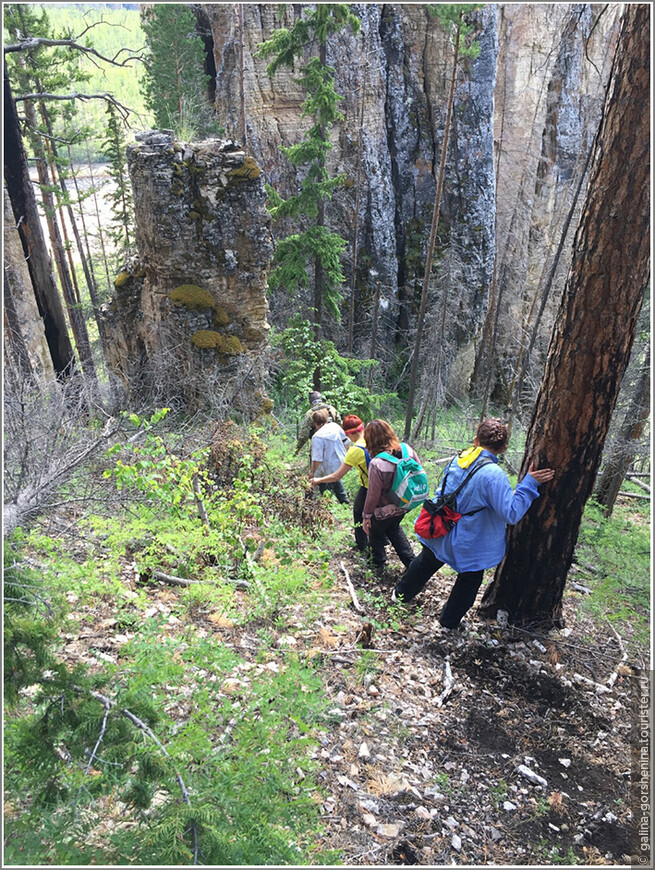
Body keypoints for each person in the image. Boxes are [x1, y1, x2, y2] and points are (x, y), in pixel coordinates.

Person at [392, 418, 555, 629]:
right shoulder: (494, 475)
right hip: (471, 539)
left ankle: (400, 596)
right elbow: (512, 513)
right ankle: (448, 623)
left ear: (476, 440)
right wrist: (530, 483)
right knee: (469, 579)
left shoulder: (460, 458)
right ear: (504, 447)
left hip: (442, 528)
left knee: (426, 561)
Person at [362, 419, 419, 576]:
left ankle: (378, 566)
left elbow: (373, 495)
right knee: (394, 529)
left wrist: (366, 516)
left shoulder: (377, 463)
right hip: (405, 503)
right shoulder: (408, 450)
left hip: (384, 511)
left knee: (376, 534)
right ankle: (412, 564)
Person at [310, 414, 370, 551]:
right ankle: (374, 544)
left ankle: (365, 547)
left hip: (367, 485)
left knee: (361, 513)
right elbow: (345, 443)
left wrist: (315, 476)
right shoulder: (371, 439)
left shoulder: (317, 437)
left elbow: (334, 474)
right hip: (380, 484)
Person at [309, 409, 350, 504]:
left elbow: (317, 459)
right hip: (340, 461)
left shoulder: (317, 437)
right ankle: (345, 503)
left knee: (323, 484)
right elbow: (346, 441)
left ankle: (326, 505)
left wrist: (312, 471)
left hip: (326, 466)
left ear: (315, 423)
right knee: (336, 481)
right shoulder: (334, 426)